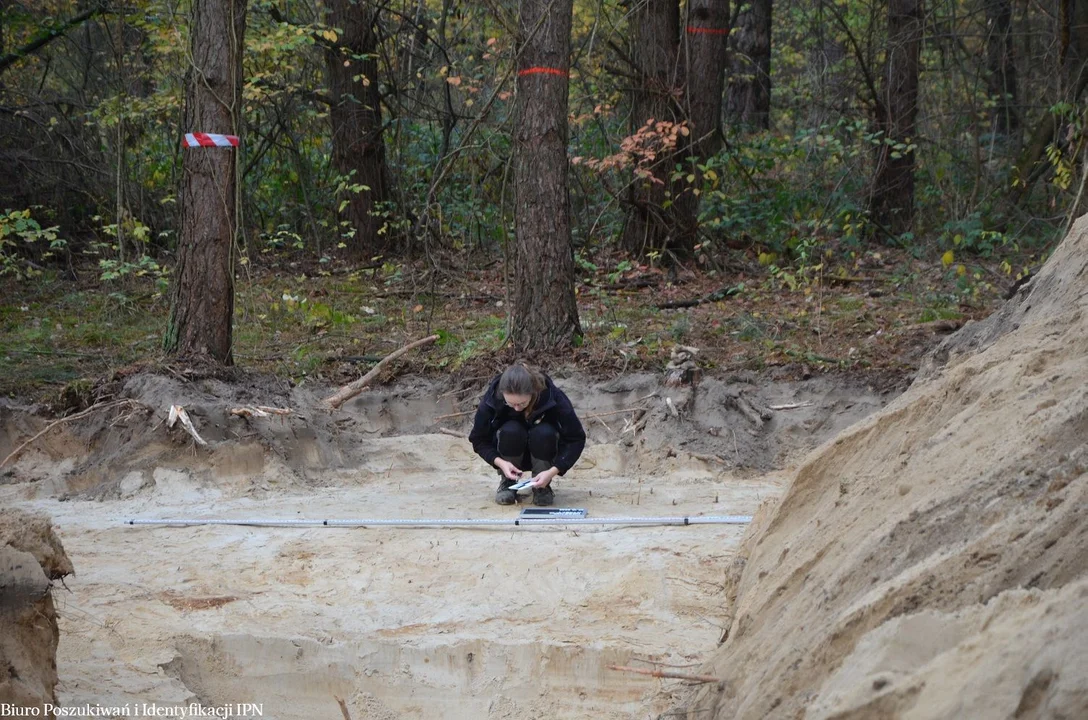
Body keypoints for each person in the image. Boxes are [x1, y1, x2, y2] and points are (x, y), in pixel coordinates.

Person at [468, 363, 586, 506]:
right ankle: (508, 482)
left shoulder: (553, 397)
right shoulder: (492, 399)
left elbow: (576, 439)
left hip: (545, 450)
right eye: (510, 404)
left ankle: (542, 485)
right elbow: (478, 439)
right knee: (511, 430)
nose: (517, 409)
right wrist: (500, 462)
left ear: (534, 392)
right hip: (508, 449)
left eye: (522, 403)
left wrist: (553, 471)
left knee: (543, 432)